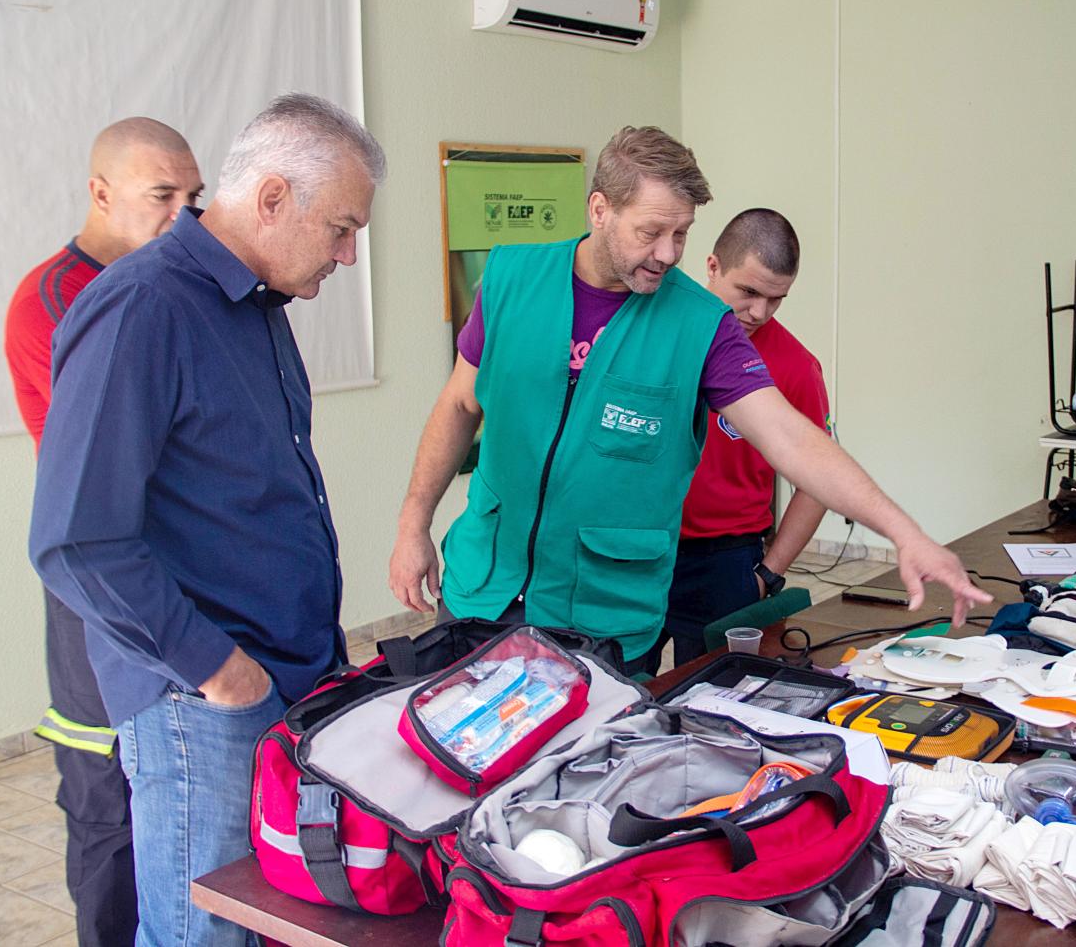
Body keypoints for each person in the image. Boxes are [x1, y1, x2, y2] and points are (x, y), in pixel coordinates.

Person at [389, 126, 990, 673]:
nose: (669, 253)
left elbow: (790, 436)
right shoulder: (511, 278)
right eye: (651, 232)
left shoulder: (702, 325)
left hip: (602, 617)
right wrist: (414, 523)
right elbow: (461, 404)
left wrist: (904, 533)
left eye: (682, 233)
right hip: (484, 589)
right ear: (600, 210)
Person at [29, 94, 384, 946]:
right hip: (207, 702)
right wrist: (221, 674)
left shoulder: (258, 307)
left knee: (269, 920)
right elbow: (75, 540)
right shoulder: (142, 307)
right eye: (339, 227)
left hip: (286, 676)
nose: (347, 252)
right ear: (270, 198)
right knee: (202, 935)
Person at [4, 116, 202, 947]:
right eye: (163, 196)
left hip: (181, 574)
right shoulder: (57, 301)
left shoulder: (177, 287)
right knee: (104, 793)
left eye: (195, 198)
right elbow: (139, 453)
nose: (182, 216)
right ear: (101, 192)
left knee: (184, 790)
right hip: (101, 580)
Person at [660, 208, 831, 665]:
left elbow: (817, 484)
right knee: (617, 688)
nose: (760, 312)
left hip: (726, 562)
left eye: (776, 299)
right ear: (712, 266)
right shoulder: (658, 331)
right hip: (640, 550)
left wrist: (769, 574)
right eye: (749, 292)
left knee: (717, 700)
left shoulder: (796, 366)